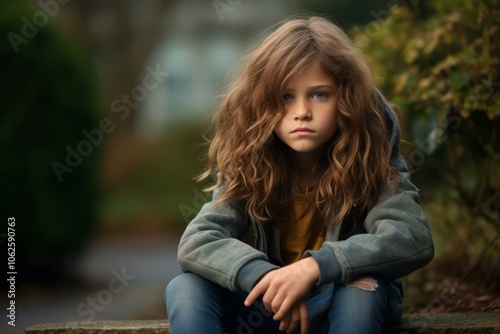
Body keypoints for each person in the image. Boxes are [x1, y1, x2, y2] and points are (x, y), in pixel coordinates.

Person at [165, 16, 434, 334]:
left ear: (346, 100)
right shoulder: (251, 158)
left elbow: (411, 236)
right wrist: (267, 278)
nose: (302, 111)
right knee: (185, 287)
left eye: (320, 95)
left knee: (362, 287)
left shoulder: (370, 157)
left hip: (337, 308)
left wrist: (314, 268)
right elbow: (197, 242)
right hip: (268, 311)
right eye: (286, 97)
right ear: (263, 103)